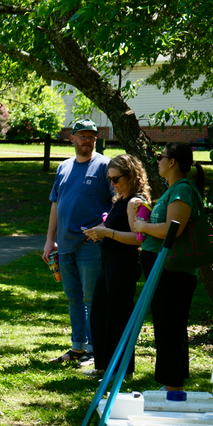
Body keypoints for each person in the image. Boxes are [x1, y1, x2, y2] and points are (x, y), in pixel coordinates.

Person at [131, 142, 207, 392]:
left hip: (174, 270)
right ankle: (169, 383)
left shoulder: (182, 190)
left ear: (172, 162)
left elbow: (172, 230)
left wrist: (142, 227)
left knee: (171, 325)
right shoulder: (174, 189)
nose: (158, 161)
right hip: (163, 267)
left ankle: (174, 386)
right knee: (164, 324)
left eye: (161, 157)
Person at [43, 119, 113, 366]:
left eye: (91, 136)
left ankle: (94, 349)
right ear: (71, 139)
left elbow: (118, 201)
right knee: (73, 297)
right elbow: (55, 204)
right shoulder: (63, 167)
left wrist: (103, 228)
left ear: (96, 139)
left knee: (91, 298)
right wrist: (50, 240)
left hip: (91, 245)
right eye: (82, 135)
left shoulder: (105, 166)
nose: (87, 140)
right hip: (64, 244)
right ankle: (78, 347)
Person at [83, 155, 149, 378]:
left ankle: (123, 369)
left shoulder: (135, 202)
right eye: (110, 180)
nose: (113, 184)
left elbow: (138, 238)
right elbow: (112, 227)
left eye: (116, 179)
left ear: (130, 176)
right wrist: (96, 231)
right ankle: (103, 366)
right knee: (100, 312)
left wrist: (107, 233)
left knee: (118, 315)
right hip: (108, 261)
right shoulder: (121, 199)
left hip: (124, 263)